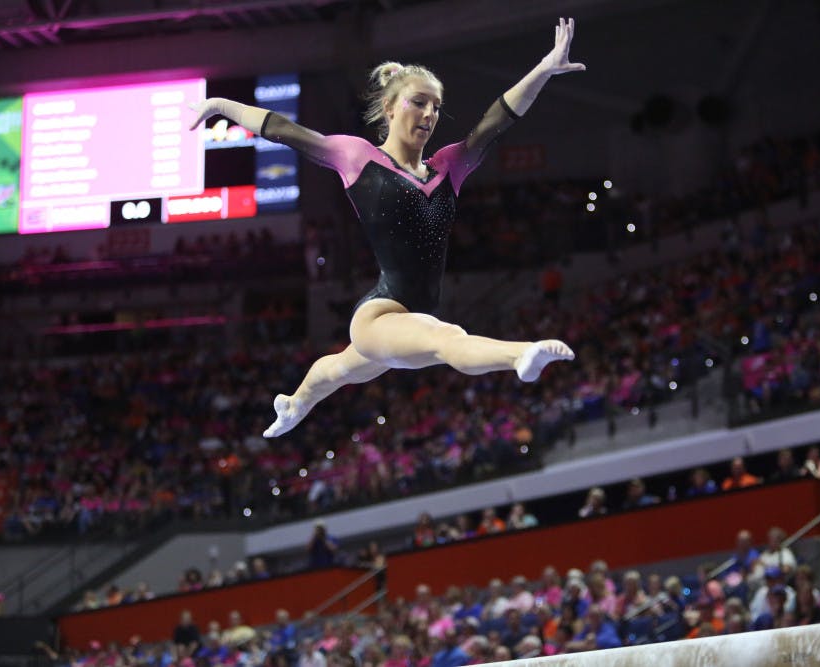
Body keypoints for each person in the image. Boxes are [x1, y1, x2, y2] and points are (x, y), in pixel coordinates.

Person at [189, 19, 583, 438]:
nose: (430, 114)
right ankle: (522, 355)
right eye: (419, 102)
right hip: (382, 313)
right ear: (392, 108)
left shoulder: (449, 166)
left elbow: (498, 119)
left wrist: (542, 70)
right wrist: (220, 106)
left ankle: (294, 403)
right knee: (446, 338)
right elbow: (283, 130)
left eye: (436, 106)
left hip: (410, 317)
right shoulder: (358, 157)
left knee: (342, 368)